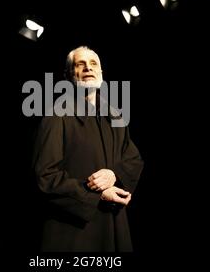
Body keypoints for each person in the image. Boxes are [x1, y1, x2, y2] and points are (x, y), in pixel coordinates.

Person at [32, 46, 144, 252]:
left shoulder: (116, 116)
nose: (88, 68)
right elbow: (45, 177)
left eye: (93, 64)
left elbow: (133, 159)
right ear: (68, 75)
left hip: (114, 225)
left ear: (101, 74)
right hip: (74, 232)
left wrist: (114, 175)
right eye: (80, 64)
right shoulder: (58, 115)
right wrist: (97, 195)